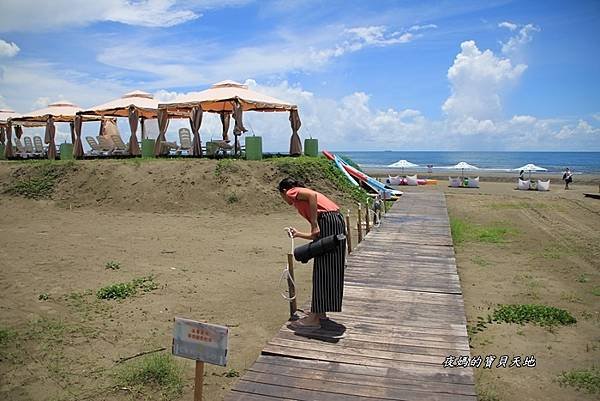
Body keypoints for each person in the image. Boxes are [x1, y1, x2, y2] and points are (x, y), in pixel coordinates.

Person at [278, 177, 346, 329]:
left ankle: (314, 318)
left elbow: (312, 196)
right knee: (330, 267)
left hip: (328, 221)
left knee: (322, 268)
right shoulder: (304, 202)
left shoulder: (291, 192)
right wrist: (298, 234)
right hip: (335, 221)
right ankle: (320, 311)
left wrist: (314, 224)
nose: (285, 199)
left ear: (283, 191)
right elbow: (316, 236)